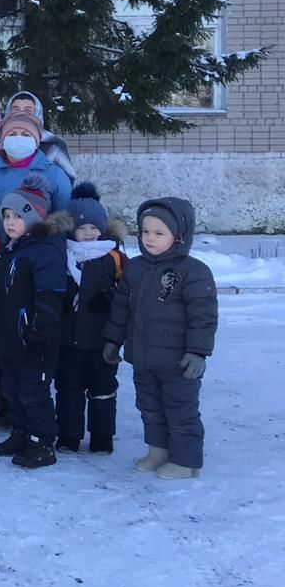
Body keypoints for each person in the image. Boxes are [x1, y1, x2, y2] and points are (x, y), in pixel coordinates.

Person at [103, 198, 217, 480]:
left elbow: (203, 317)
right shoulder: (135, 268)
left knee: (180, 410)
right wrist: (112, 340)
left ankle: (186, 461)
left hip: (178, 362)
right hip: (143, 358)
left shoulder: (194, 272)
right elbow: (121, 309)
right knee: (149, 407)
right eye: (145, 231)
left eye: (159, 233)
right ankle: (158, 451)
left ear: (179, 236)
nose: (149, 238)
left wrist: (198, 352)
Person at [0, 174, 67, 470]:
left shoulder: (46, 251)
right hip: (9, 336)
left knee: (34, 392)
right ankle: (20, 432)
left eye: (18, 216)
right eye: (6, 215)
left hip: (35, 339)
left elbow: (51, 293)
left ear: (35, 217)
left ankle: (42, 442)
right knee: (12, 389)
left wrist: (41, 328)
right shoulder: (7, 251)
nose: (10, 221)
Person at [54, 183, 127, 455]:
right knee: (68, 390)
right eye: (81, 229)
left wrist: (110, 298)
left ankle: (102, 435)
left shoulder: (114, 258)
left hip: (101, 339)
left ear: (103, 229)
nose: (87, 234)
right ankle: (68, 436)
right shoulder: (63, 255)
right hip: (68, 339)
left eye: (93, 228)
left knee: (103, 389)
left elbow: (127, 294)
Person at [0, 112, 73, 239]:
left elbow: (63, 217)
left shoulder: (55, 174)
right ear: (2, 140)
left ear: (37, 141)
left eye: (26, 135)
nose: (18, 138)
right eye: (12, 134)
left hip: (37, 249)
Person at [5, 91, 76, 182]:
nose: (21, 115)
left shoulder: (52, 145)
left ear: (37, 114)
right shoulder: (1, 142)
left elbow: (68, 178)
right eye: (16, 110)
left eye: (28, 110)